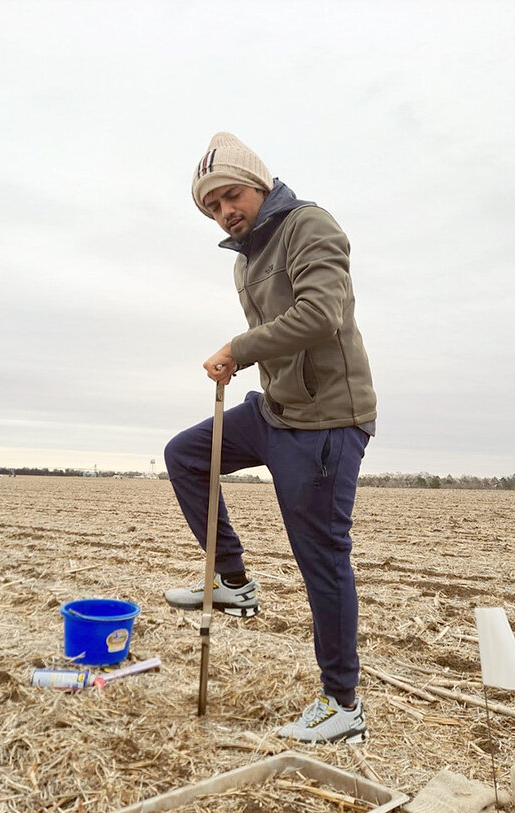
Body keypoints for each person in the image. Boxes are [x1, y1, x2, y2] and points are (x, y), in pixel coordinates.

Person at [164, 132, 377, 743]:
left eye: (230, 195)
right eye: (212, 207)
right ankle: (232, 581)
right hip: (278, 409)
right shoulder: (246, 257)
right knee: (186, 454)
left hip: (328, 419)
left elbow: (320, 314)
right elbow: (281, 333)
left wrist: (239, 347)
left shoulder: (310, 226)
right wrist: (249, 359)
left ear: (258, 184)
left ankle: (343, 705)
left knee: (321, 559)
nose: (225, 211)